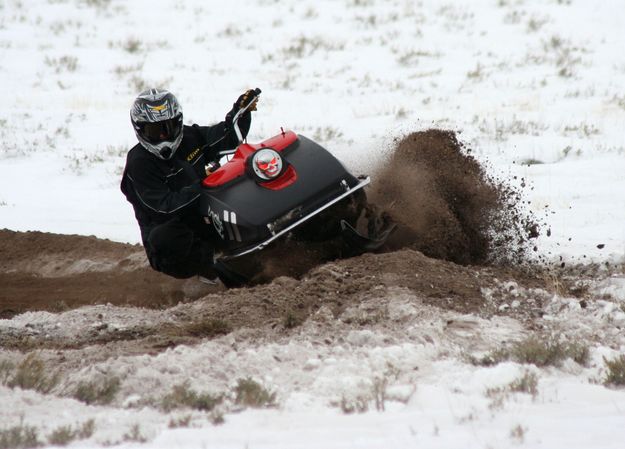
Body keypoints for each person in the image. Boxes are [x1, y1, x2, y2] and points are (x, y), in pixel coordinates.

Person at [121, 87, 258, 279]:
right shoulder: (139, 164)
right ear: (140, 129)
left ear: (178, 122)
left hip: (208, 215)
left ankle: (267, 237)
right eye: (155, 130)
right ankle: (209, 272)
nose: (163, 136)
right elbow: (163, 209)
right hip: (173, 238)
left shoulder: (190, 137)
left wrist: (241, 112)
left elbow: (225, 137)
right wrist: (201, 181)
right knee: (166, 238)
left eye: (168, 127)